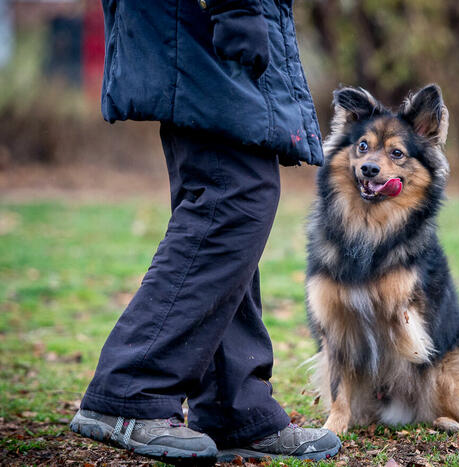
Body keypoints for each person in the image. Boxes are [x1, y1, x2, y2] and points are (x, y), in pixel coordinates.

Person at [69, 0, 341, 463]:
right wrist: (234, 7)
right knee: (233, 194)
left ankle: (233, 408)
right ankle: (128, 390)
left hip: (197, 19)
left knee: (233, 193)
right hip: (201, 18)